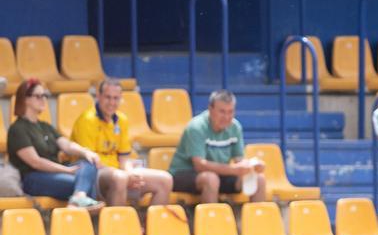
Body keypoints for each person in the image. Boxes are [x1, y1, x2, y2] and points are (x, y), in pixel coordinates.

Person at [71, 78, 171, 206]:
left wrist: (130, 173)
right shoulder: (87, 120)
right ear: (98, 96)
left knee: (165, 180)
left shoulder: (121, 120)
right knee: (120, 178)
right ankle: (117, 224)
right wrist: (125, 175)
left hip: (118, 171)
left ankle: (150, 225)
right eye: (108, 97)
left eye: (116, 98)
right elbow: (91, 161)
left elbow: (124, 158)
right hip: (92, 174)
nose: (112, 102)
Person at [7, 78, 104, 209]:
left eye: (45, 96)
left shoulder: (45, 126)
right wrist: (66, 170)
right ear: (25, 99)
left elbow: (67, 145)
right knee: (84, 183)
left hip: (55, 173)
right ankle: (80, 207)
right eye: (38, 96)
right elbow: (35, 162)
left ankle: (78, 199)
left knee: (88, 163)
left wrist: (86, 152)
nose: (43, 100)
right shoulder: (17, 129)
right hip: (33, 178)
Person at [169, 90, 267, 204]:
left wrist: (251, 167)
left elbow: (239, 160)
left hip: (219, 174)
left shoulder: (235, 127)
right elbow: (199, 165)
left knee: (259, 179)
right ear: (210, 109)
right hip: (183, 174)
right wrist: (234, 169)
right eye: (222, 112)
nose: (226, 117)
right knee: (211, 179)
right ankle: (211, 220)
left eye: (230, 112)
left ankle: (257, 220)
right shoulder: (196, 127)